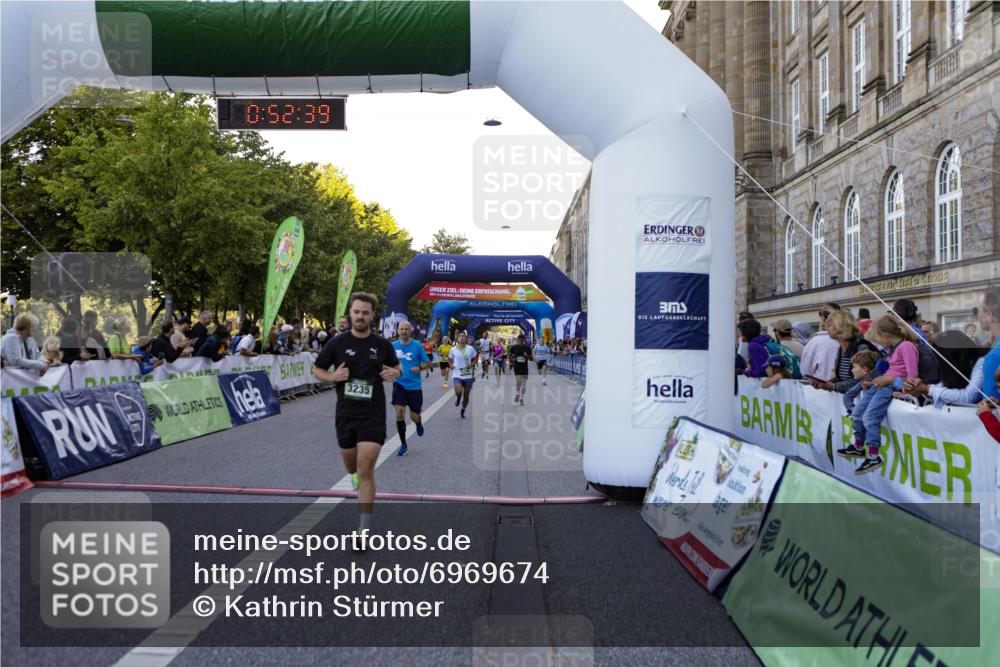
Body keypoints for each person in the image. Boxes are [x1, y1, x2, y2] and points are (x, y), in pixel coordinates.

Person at [313, 292, 401, 542]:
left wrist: (394, 372)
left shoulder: (382, 344)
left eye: (365, 312)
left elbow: (397, 367)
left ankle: (363, 529)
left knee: (366, 470)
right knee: (351, 466)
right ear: (350, 313)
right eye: (357, 312)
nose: (360, 316)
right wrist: (333, 378)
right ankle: (352, 475)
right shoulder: (337, 343)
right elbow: (318, 369)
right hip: (345, 414)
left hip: (372, 415)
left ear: (372, 315)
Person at [837, 316, 919, 475]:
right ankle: (859, 446)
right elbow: (888, 370)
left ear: (886, 335)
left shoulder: (906, 347)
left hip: (887, 387)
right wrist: (871, 380)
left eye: (879, 340)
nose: (879, 344)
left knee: (869, 418)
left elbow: (912, 377)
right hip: (880, 384)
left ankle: (873, 455)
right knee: (857, 413)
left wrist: (894, 384)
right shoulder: (893, 349)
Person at [809, 310, 878, 394]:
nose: (827, 328)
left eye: (830, 325)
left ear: (840, 326)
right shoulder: (841, 348)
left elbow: (863, 380)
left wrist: (833, 386)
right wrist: (824, 383)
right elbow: (841, 378)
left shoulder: (861, 347)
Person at [390, 320, 431, 456]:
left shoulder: (417, 346)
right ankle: (403, 444)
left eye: (406, 329)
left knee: (414, 416)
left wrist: (419, 368)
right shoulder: (393, 346)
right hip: (399, 384)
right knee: (399, 412)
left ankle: (418, 423)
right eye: (401, 329)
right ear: (398, 331)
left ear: (410, 331)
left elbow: (428, 362)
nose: (403, 331)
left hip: (414, 386)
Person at [800, 307, 841, 381]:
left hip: (820, 387)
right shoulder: (846, 340)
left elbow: (805, 371)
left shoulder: (814, 342)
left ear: (823, 319)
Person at [448, 331, 478, 418]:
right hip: (457, 374)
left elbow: (475, 358)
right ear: (457, 338)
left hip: (468, 375)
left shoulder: (470, 349)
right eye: (460, 336)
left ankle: (463, 409)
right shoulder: (453, 349)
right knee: (458, 391)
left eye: (464, 336)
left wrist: (472, 364)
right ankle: (458, 398)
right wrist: (451, 365)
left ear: (466, 339)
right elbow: (449, 359)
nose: (462, 337)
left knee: (466, 395)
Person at [978, 289, 1000, 399]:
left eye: (980, 310)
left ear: (990, 315)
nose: (978, 315)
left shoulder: (994, 356)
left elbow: (993, 411)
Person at [508, 334, 533, 405]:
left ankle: (522, 398)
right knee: (519, 382)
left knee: (524, 385)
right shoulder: (514, 348)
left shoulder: (527, 348)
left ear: (523, 340)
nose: (520, 341)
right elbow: (509, 356)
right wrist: (512, 359)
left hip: (525, 368)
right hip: (517, 368)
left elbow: (531, 358)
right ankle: (517, 393)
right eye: (519, 340)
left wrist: (527, 355)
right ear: (517, 340)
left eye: (522, 340)